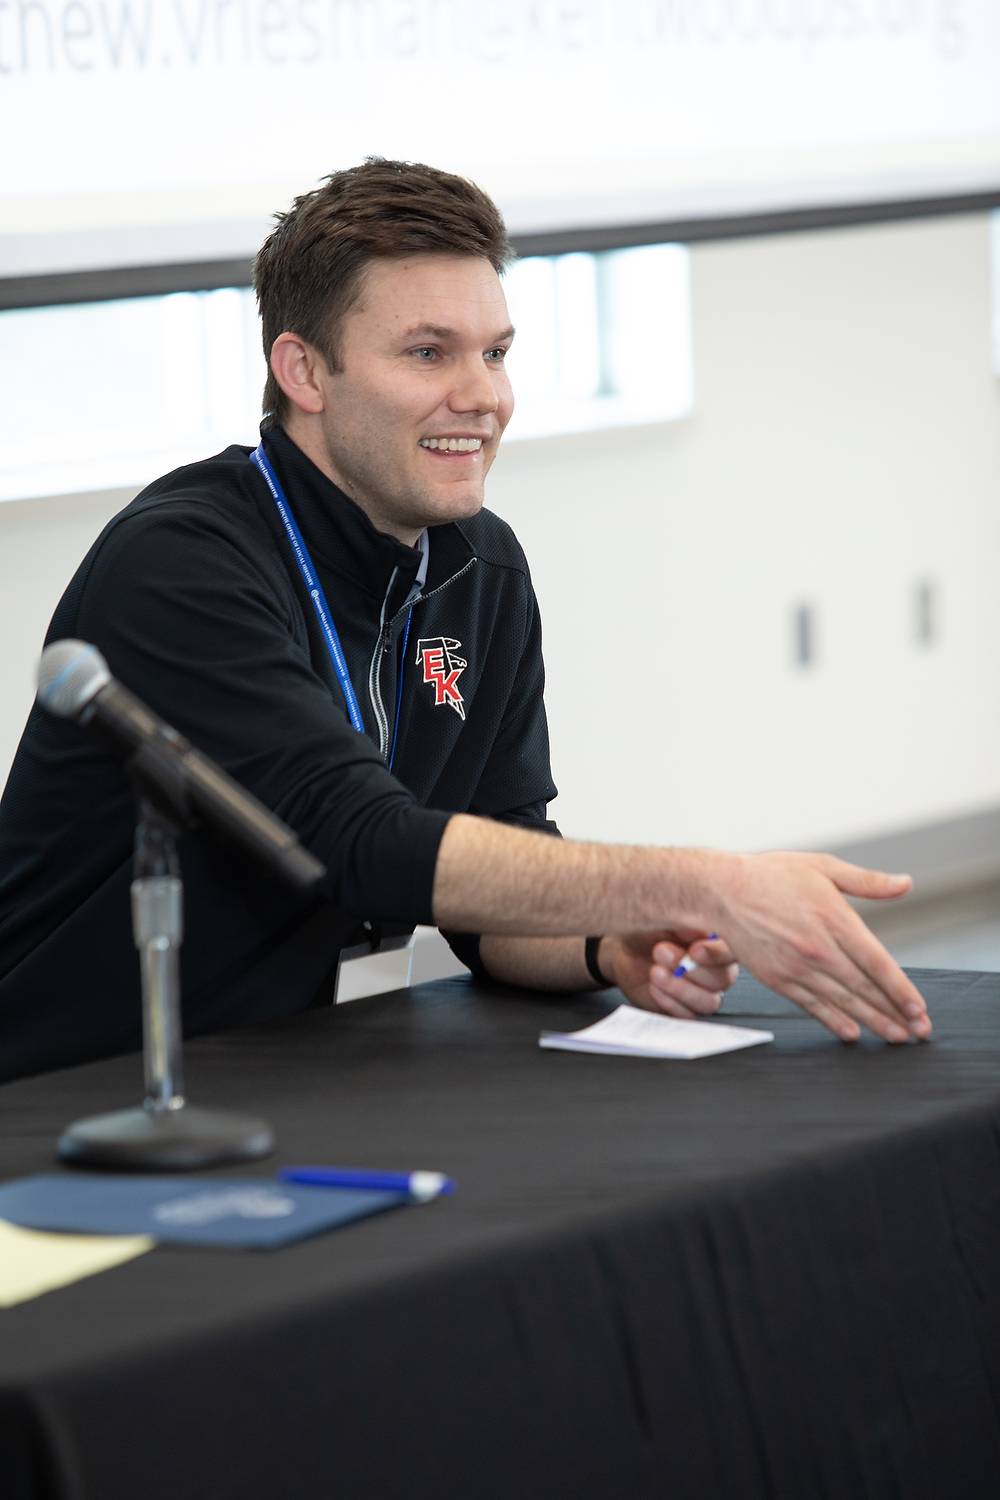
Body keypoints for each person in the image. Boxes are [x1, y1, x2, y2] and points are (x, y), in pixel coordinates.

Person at [0, 158, 930, 1082]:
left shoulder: (480, 566)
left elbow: (495, 880)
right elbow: (361, 844)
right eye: (428, 353)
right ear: (304, 371)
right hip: (75, 1095)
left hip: (302, 1075)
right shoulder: (182, 562)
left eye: (495, 353)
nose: (484, 396)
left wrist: (607, 944)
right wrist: (711, 884)